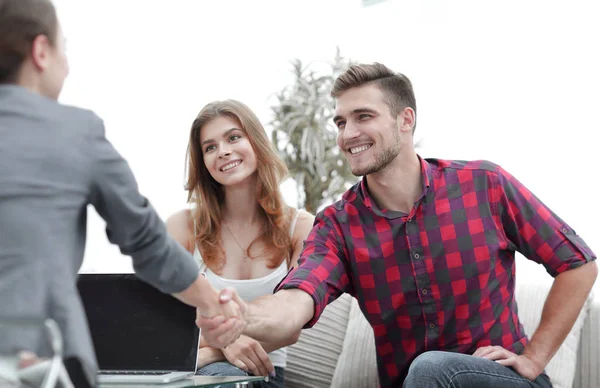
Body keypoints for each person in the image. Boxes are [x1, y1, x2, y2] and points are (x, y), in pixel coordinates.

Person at [201, 63, 598, 387]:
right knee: (424, 372)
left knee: (430, 368)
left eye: (363, 117)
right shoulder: (338, 226)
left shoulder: (483, 185)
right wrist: (244, 318)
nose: (348, 134)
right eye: (340, 122)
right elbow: (296, 300)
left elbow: (577, 263)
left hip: (500, 381)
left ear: (405, 119)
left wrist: (534, 358)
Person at [0, 1, 246, 386]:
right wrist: (214, 304)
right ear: (41, 51)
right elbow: (147, 243)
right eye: (64, 46)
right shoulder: (75, 131)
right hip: (34, 363)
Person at [167, 99, 314, 387]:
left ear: (256, 142)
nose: (223, 151)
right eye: (210, 147)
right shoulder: (183, 227)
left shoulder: (300, 227)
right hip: (194, 372)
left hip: (263, 374)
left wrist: (219, 343)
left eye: (233, 137)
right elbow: (165, 325)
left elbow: (290, 327)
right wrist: (223, 347)